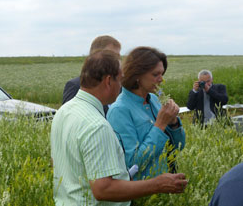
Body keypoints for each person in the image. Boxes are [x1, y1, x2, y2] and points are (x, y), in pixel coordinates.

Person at [51, 50, 188, 205]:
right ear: (109, 81)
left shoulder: (64, 111)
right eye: (120, 80)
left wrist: (173, 123)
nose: (122, 85)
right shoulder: (98, 125)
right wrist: (157, 184)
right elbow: (104, 189)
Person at [107, 46, 186, 180]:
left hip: (167, 183)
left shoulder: (155, 100)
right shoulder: (119, 110)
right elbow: (132, 164)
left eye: (162, 74)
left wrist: (173, 124)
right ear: (136, 75)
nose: (161, 79)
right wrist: (160, 125)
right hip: (144, 189)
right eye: (155, 74)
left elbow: (178, 147)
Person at [62, 35, 121, 115]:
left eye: (118, 56)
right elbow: (70, 116)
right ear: (97, 55)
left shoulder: (119, 86)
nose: (117, 60)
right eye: (112, 55)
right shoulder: (75, 85)